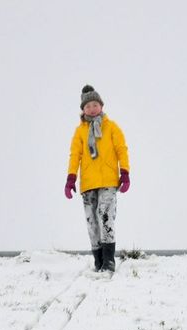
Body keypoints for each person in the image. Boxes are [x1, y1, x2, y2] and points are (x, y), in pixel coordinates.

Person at [64, 84, 130, 272]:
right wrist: (70, 179)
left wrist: (124, 173)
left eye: (95, 105)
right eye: (87, 106)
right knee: (92, 222)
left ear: (101, 106)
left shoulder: (111, 127)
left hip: (108, 182)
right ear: (83, 110)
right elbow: (74, 155)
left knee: (105, 215)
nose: (92, 109)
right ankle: (98, 260)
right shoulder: (80, 132)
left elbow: (121, 149)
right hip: (88, 184)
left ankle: (109, 261)